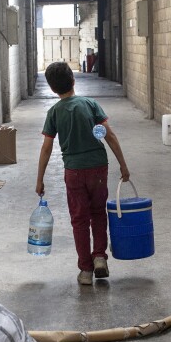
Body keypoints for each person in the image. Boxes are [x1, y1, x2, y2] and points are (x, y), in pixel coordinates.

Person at [35, 62, 130, 285]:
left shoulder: (54, 112)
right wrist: (123, 166)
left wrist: (39, 179)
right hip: (98, 168)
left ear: (51, 88)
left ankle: (85, 270)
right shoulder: (90, 104)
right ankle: (99, 257)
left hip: (74, 172)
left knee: (79, 220)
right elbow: (110, 136)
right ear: (74, 81)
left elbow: (47, 147)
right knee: (98, 213)